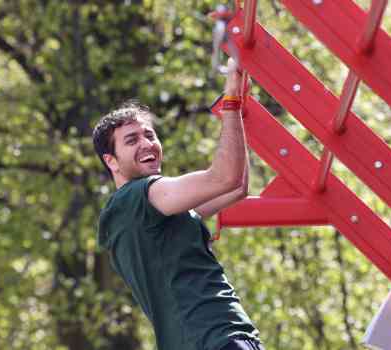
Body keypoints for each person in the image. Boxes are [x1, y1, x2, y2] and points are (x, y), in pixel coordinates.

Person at [93, 58, 264, 350]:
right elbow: (224, 177)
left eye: (150, 135)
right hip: (214, 340)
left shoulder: (151, 214)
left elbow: (236, 187)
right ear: (111, 161)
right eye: (132, 140)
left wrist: (234, 117)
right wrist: (231, 102)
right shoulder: (141, 196)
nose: (147, 144)